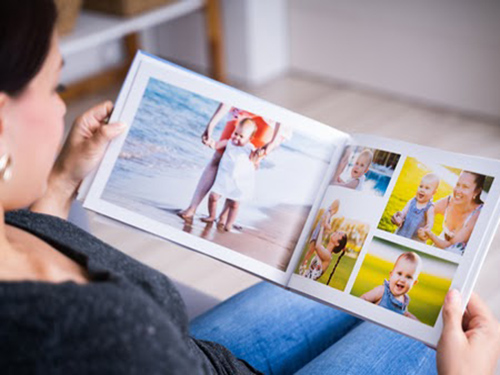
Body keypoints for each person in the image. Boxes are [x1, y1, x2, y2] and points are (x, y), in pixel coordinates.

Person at [1, 1, 500, 374]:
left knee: (390, 304)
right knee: (430, 330)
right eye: (55, 88)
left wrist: (62, 181)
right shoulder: (86, 335)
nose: (63, 108)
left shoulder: (11, 229)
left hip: (191, 352)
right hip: (171, 354)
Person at [177, 103, 289, 221]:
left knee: (249, 162)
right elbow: (227, 99)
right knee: (217, 156)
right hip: (243, 107)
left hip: (272, 117)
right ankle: (192, 208)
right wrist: (211, 125)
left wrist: (273, 142)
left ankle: (224, 215)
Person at [201, 117, 258, 231]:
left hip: (239, 181)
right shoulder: (229, 143)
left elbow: (255, 161)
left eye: (241, 136)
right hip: (224, 177)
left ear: (250, 138)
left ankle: (229, 224)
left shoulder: (250, 148)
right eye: (235, 133)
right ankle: (211, 216)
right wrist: (209, 142)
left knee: (234, 204)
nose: (236, 137)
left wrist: (256, 159)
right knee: (213, 197)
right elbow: (216, 145)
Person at [419, 171, 485, 255]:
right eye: (458, 185)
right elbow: (425, 211)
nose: (458, 190)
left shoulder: (478, 214)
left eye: (465, 187)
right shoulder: (449, 201)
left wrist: (430, 234)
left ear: (477, 191)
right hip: (440, 245)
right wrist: (402, 216)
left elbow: (450, 246)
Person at [361, 252, 421, 320]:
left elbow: (404, 314)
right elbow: (363, 299)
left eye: (408, 277)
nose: (402, 280)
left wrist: (413, 320)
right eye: (399, 274)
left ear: (414, 283)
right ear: (391, 274)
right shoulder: (382, 291)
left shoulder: (404, 301)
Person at [392, 173, 439, 241]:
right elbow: (403, 213)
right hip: (401, 234)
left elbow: (430, 223)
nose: (422, 190)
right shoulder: (412, 201)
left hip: (415, 239)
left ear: (434, 192)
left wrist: (425, 230)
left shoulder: (430, 207)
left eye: (427, 188)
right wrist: (399, 218)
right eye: (421, 186)